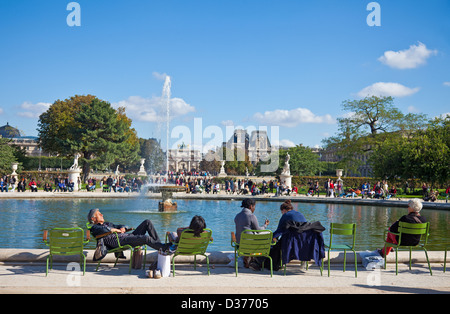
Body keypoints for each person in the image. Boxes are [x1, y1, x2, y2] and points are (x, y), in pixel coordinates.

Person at [87, 208, 169, 253]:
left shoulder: (108, 223)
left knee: (147, 222)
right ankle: (164, 248)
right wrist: (114, 230)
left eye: (101, 213)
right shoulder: (94, 228)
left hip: (126, 237)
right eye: (99, 214)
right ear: (93, 219)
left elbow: (121, 225)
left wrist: (124, 228)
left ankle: (160, 247)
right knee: (145, 238)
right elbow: (103, 230)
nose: (102, 215)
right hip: (119, 241)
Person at [234, 199, 269, 270]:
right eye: (254, 207)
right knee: (267, 240)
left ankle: (247, 258)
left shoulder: (237, 216)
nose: (254, 209)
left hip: (240, 245)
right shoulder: (251, 216)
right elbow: (258, 230)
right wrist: (265, 225)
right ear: (251, 206)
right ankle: (256, 262)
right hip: (250, 245)